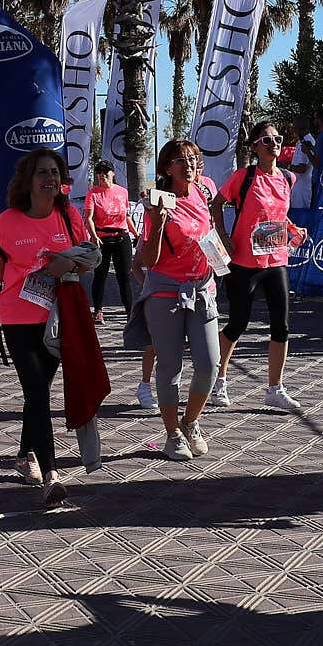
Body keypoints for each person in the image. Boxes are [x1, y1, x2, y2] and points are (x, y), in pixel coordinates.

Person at [0, 147, 98, 508]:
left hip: (58, 319)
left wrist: (68, 265)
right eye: (42, 172)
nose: (49, 179)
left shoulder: (69, 216)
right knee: (38, 392)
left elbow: (86, 260)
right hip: (17, 319)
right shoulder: (8, 221)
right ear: (28, 180)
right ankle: (52, 474)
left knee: (37, 393)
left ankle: (25, 453)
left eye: (54, 172)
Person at [135, 137, 224, 460]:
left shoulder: (203, 192)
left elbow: (209, 235)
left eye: (193, 159)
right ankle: (172, 433)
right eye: (181, 160)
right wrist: (159, 223)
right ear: (167, 168)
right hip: (166, 292)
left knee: (209, 364)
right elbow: (148, 260)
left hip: (202, 289)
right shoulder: (158, 201)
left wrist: (220, 259)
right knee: (170, 366)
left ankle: (191, 421)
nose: (189, 165)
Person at [214, 120, 303, 411]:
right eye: (267, 140)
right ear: (254, 147)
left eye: (277, 139)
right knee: (237, 324)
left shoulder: (288, 178)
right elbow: (216, 204)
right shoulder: (244, 176)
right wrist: (224, 237)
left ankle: (275, 389)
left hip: (276, 259)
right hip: (244, 261)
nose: (274, 143)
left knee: (282, 325)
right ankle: (218, 380)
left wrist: (293, 230)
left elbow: (276, 215)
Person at [83, 160, 135, 323]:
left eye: (106, 172)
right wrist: (94, 236)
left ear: (113, 173)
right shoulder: (93, 194)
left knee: (124, 277)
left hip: (121, 237)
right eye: (99, 172)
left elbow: (127, 216)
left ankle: (130, 313)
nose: (102, 175)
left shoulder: (122, 192)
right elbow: (89, 218)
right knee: (100, 275)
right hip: (102, 238)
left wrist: (136, 234)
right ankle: (98, 311)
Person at [288, 116, 320, 210]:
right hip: (298, 186)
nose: (293, 129)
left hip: (302, 187)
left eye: (294, 126)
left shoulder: (306, 142)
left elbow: (302, 168)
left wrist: (287, 167)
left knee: (300, 213)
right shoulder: (302, 140)